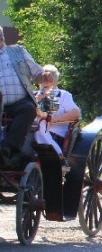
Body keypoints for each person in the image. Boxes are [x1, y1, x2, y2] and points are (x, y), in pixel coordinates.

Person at [0, 30, 47, 169]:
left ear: (2, 37)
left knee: (28, 109)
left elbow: (37, 73)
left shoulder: (18, 51)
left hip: (19, 102)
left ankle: (8, 148)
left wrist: (44, 76)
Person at [34, 64, 81, 168]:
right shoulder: (34, 95)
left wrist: (53, 119)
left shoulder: (63, 95)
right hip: (32, 130)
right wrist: (37, 99)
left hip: (55, 133)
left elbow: (76, 113)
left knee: (40, 126)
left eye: (49, 78)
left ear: (55, 79)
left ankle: (59, 156)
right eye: (43, 78)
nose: (46, 82)